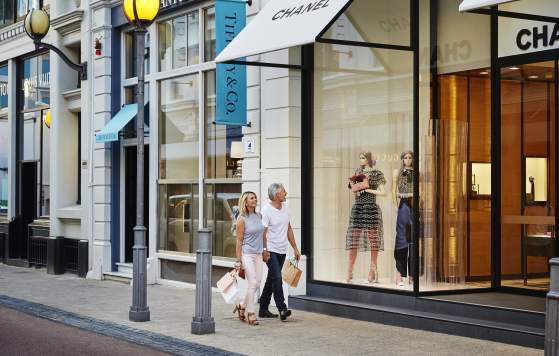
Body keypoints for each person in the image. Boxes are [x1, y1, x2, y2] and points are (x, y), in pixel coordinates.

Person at [259, 183, 301, 321]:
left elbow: (289, 229)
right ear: (277, 194)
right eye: (283, 191)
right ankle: (282, 308)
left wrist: (295, 248)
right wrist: (264, 250)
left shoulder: (286, 208)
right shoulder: (266, 211)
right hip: (271, 249)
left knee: (271, 279)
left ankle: (263, 309)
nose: (286, 193)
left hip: (282, 249)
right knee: (277, 277)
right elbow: (263, 233)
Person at [234, 191, 264, 326]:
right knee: (252, 282)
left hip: (258, 254)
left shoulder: (259, 216)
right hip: (247, 254)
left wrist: (265, 250)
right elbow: (239, 241)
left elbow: (263, 236)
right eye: (252, 198)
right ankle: (251, 313)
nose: (255, 200)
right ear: (245, 202)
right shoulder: (241, 219)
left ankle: (241, 305)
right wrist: (238, 260)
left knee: (257, 283)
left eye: (255, 198)